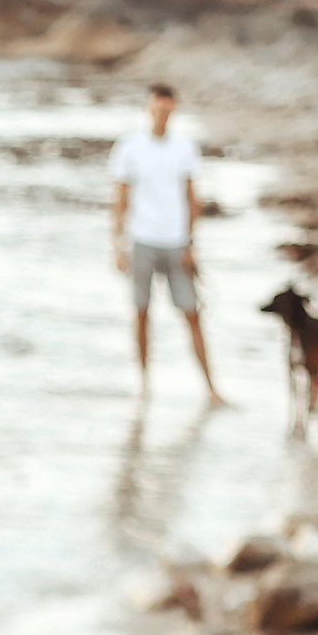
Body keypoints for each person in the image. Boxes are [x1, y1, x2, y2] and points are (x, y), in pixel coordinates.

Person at [108, 83, 223, 406]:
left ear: (173, 109)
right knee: (141, 313)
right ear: (149, 108)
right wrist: (117, 245)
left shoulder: (184, 147)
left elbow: (191, 197)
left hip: (176, 242)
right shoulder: (129, 147)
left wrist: (191, 243)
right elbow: (119, 199)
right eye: (157, 108)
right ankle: (143, 386)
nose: (161, 114)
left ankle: (211, 388)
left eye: (166, 109)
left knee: (191, 313)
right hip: (141, 240)